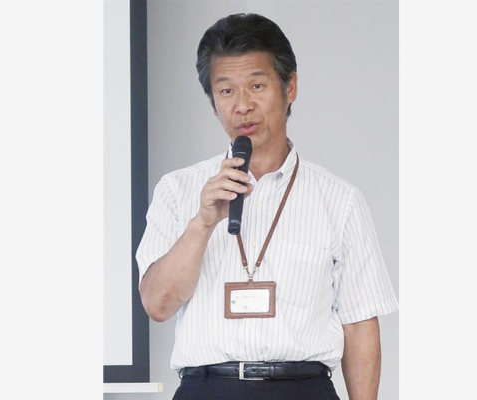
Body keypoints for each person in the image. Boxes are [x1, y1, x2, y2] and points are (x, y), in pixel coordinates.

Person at [136, 13, 398, 400]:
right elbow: (158, 305)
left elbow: (359, 324)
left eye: (256, 86)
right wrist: (202, 223)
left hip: (302, 388)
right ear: (213, 103)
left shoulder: (339, 199)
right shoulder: (177, 190)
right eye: (226, 91)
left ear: (290, 87)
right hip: (207, 388)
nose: (242, 105)